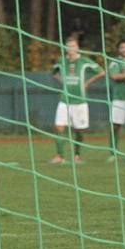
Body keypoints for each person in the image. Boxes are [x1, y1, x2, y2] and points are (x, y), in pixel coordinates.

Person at [49, 36, 104, 164]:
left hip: (80, 101)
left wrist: (88, 82)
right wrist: (62, 81)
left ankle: (77, 156)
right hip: (64, 100)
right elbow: (54, 72)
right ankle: (59, 155)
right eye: (68, 46)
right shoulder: (61, 61)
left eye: (73, 46)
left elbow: (101, 72)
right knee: (59, 127)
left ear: (77, 47)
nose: (70, 49)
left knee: (78, 130)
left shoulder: (84, 60)